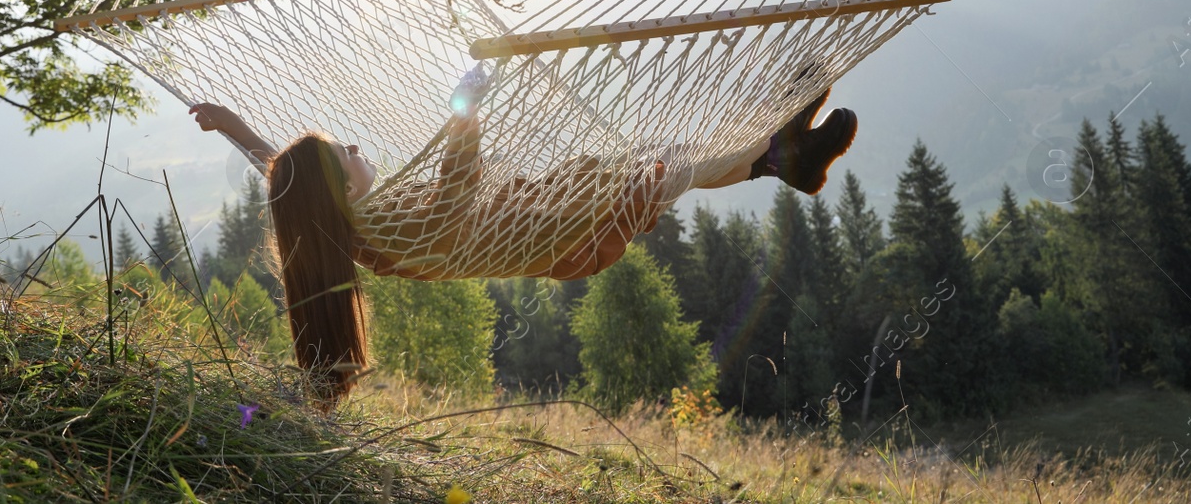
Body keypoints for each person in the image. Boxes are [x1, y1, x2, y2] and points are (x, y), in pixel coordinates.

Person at [189, 89, 856, 404]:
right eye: (348, 152)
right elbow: (453, 198)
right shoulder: (382, 229)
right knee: (659, 166)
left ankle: (781, 154)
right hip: (560, 230)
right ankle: (778, 154)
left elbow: (283, 173)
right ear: (341, 186)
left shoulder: (346, 221)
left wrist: (231, 124)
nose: (361, 150)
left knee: (659, 162)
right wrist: (464, 112)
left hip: (541, 215)